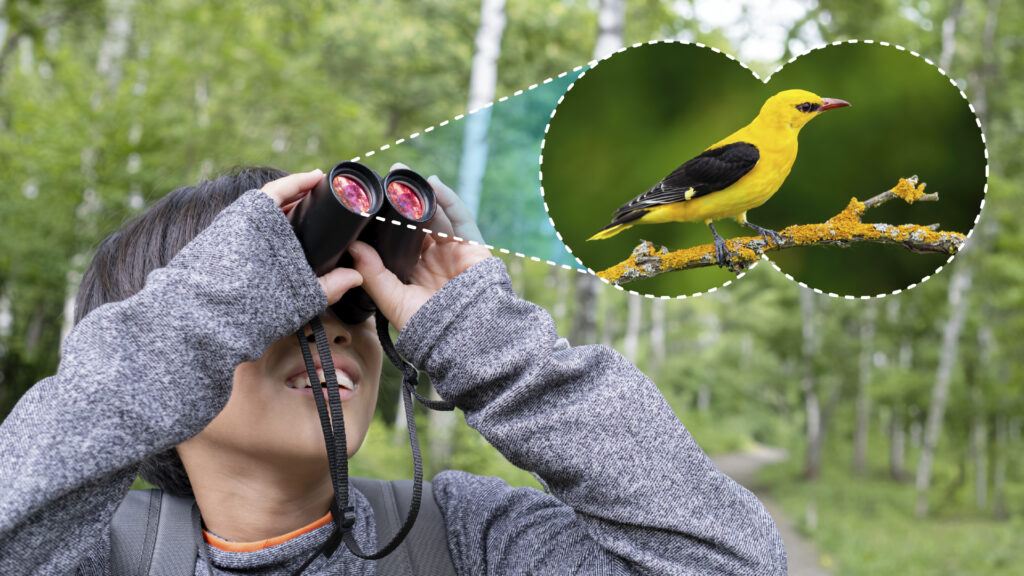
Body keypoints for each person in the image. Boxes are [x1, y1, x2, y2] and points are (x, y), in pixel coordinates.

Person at [0, 166, 787, 575]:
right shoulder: (92, 553)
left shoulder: (467, 541)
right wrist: (202, 314)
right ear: (175, 329)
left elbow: (729, 562)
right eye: (272, 305)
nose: (335, 332)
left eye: (356, 305)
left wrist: (481, 335)